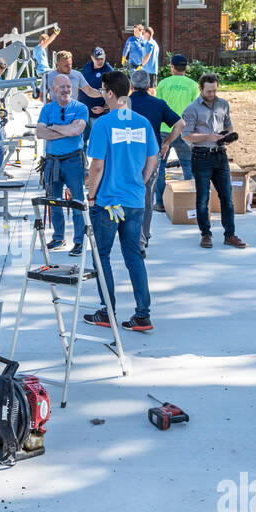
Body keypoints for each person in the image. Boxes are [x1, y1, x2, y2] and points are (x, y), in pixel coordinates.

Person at [83, 70, 158, 332]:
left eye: (103, 91)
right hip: (135, 201)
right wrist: (140, 182)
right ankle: (142, 315)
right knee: (134, 256)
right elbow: (152, 159)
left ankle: (108, 311)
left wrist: (91, 197)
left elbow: (97, 168)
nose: (102, 95)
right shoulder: (143, 123)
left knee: (101, 255)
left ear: (111, 93)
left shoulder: (103, 124)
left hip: (108, 203)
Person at [173, 73, 247, 249]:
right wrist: (210, 136)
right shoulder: (191, 109)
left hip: (220, 155)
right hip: (201, 156)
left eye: (214, 90)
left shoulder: (223, 104)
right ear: (200, 89)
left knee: (227, 199)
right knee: (202, 199)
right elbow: (186, 135)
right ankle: (205, 234)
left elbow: (228, 124)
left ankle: (230, 235)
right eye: (208, 91)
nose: (212, 94)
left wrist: (227, 135)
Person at [126, 68, 183, 253]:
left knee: (128, 196)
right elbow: (180, 123)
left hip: (127, 157)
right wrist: (166, 143)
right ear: (150, 86)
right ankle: (144, 236)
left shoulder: (124, 104)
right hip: (152, 156)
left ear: (132, 86)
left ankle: (131, 236)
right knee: (147, 197)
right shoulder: (158, 103)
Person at [36, 75, 89, 256]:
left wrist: (54, 127)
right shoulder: (47, 108)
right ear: (53, 89)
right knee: (54, 201)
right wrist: (66, 130)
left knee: (77, 202)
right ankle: (58, 237)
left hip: (74, 161)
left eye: (69, 86)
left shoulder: (80, 107)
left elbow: (76, 130)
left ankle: (79, 241)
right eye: (62, 87)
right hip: (52, 161)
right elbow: (40, 132)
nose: (66, 90)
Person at [154, 54, 199, 205]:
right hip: (184, 131)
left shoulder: (163, 84)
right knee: (188, 166)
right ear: (186, 67)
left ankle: (160, 203)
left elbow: (158, 107)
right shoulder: (193, 85)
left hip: (164, 130)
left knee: (160, 167)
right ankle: (191, 202)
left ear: (172, 66)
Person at [78, 46, 113, 146]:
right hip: (84, 112)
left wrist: (105, 108)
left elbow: (114, 93)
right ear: (92, 58)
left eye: (102, 58)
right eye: (97, 59)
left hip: (98, 115)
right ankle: (83, 162)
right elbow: (82, 86)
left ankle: (100, 162)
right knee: (81, 142)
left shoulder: (109, 71)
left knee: (100, 144)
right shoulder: (87, 67)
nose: (100, 61)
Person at [30, 25, 60, 98]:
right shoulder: (39, 48)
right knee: (58, 73)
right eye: (46, 42)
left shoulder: (38, 50)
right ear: (42, 41)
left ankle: (41, 90)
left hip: (43, 70)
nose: (47, 44)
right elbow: (49, 41)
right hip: (43, 70)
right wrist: (55, 33)